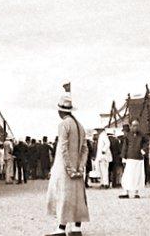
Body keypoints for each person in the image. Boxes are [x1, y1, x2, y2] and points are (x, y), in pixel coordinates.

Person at [46, 94, 89, 236]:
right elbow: (85, 149)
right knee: (78, 196)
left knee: (63, 194)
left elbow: (63, 148)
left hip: (64, 167)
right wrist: (81, 166)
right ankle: (76, 228)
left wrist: (69, 168)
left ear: (61, 111)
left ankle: (61, 228)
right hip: (78, 167)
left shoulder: (64, 124)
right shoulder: (80, 126)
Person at [120, 119, 147, 198]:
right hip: (130, 158)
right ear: (131, 126)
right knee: (127, 175)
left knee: (138, 176)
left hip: (139, 159)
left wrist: (144, 150)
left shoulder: (142, 135)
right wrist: (123, 157)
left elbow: (148, 143)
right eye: (134, 125)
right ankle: (126, 192)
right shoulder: (128, 135)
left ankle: (136, 192)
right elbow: (125, 146)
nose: (135, 127)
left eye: (137, 125)